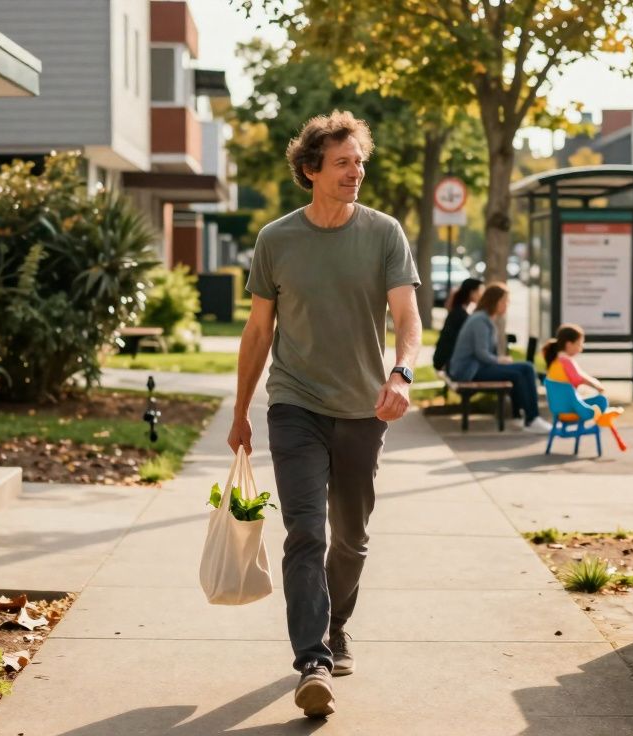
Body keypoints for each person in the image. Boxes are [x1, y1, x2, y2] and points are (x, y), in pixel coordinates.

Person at [228, 110, 421, 719]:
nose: (355, 172)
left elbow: (407, 317)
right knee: (306, 531)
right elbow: (259, 330)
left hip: (365, 407)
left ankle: (337, 626)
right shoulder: (276, 240)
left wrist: (402, 372)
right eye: (342, 163)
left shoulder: (384, 232)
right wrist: (240, 411)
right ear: (311, 170)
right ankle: (311, 660)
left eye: (359, 161)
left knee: (352, 538)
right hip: (296, 404)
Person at [447, 283, 550, 433]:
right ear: (494, 301)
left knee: (521, 371)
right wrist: (500, 360)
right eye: (504, 301)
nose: (506, 305)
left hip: (475, 367)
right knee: (525, 368)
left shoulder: (484, 318)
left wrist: (501, 360)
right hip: (468, 371)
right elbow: (481, 353)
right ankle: (532, 419)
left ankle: (520, 417)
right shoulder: (480, 321)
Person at [543, 324, 607, 409]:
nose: (581, 348)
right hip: (570, 407)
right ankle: (598, 422)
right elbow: (578, 378)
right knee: (601, 400)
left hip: (557, 407)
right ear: (569, 344)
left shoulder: (555, 360)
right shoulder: (566, 361)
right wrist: (597, 386)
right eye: (579, 344)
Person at [431, 277, 483, 373]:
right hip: (447, 362)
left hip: (444, 360)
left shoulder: (460, 310)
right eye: (480, 291)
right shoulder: (460, 314)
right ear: (472, 292)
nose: (482, 295)